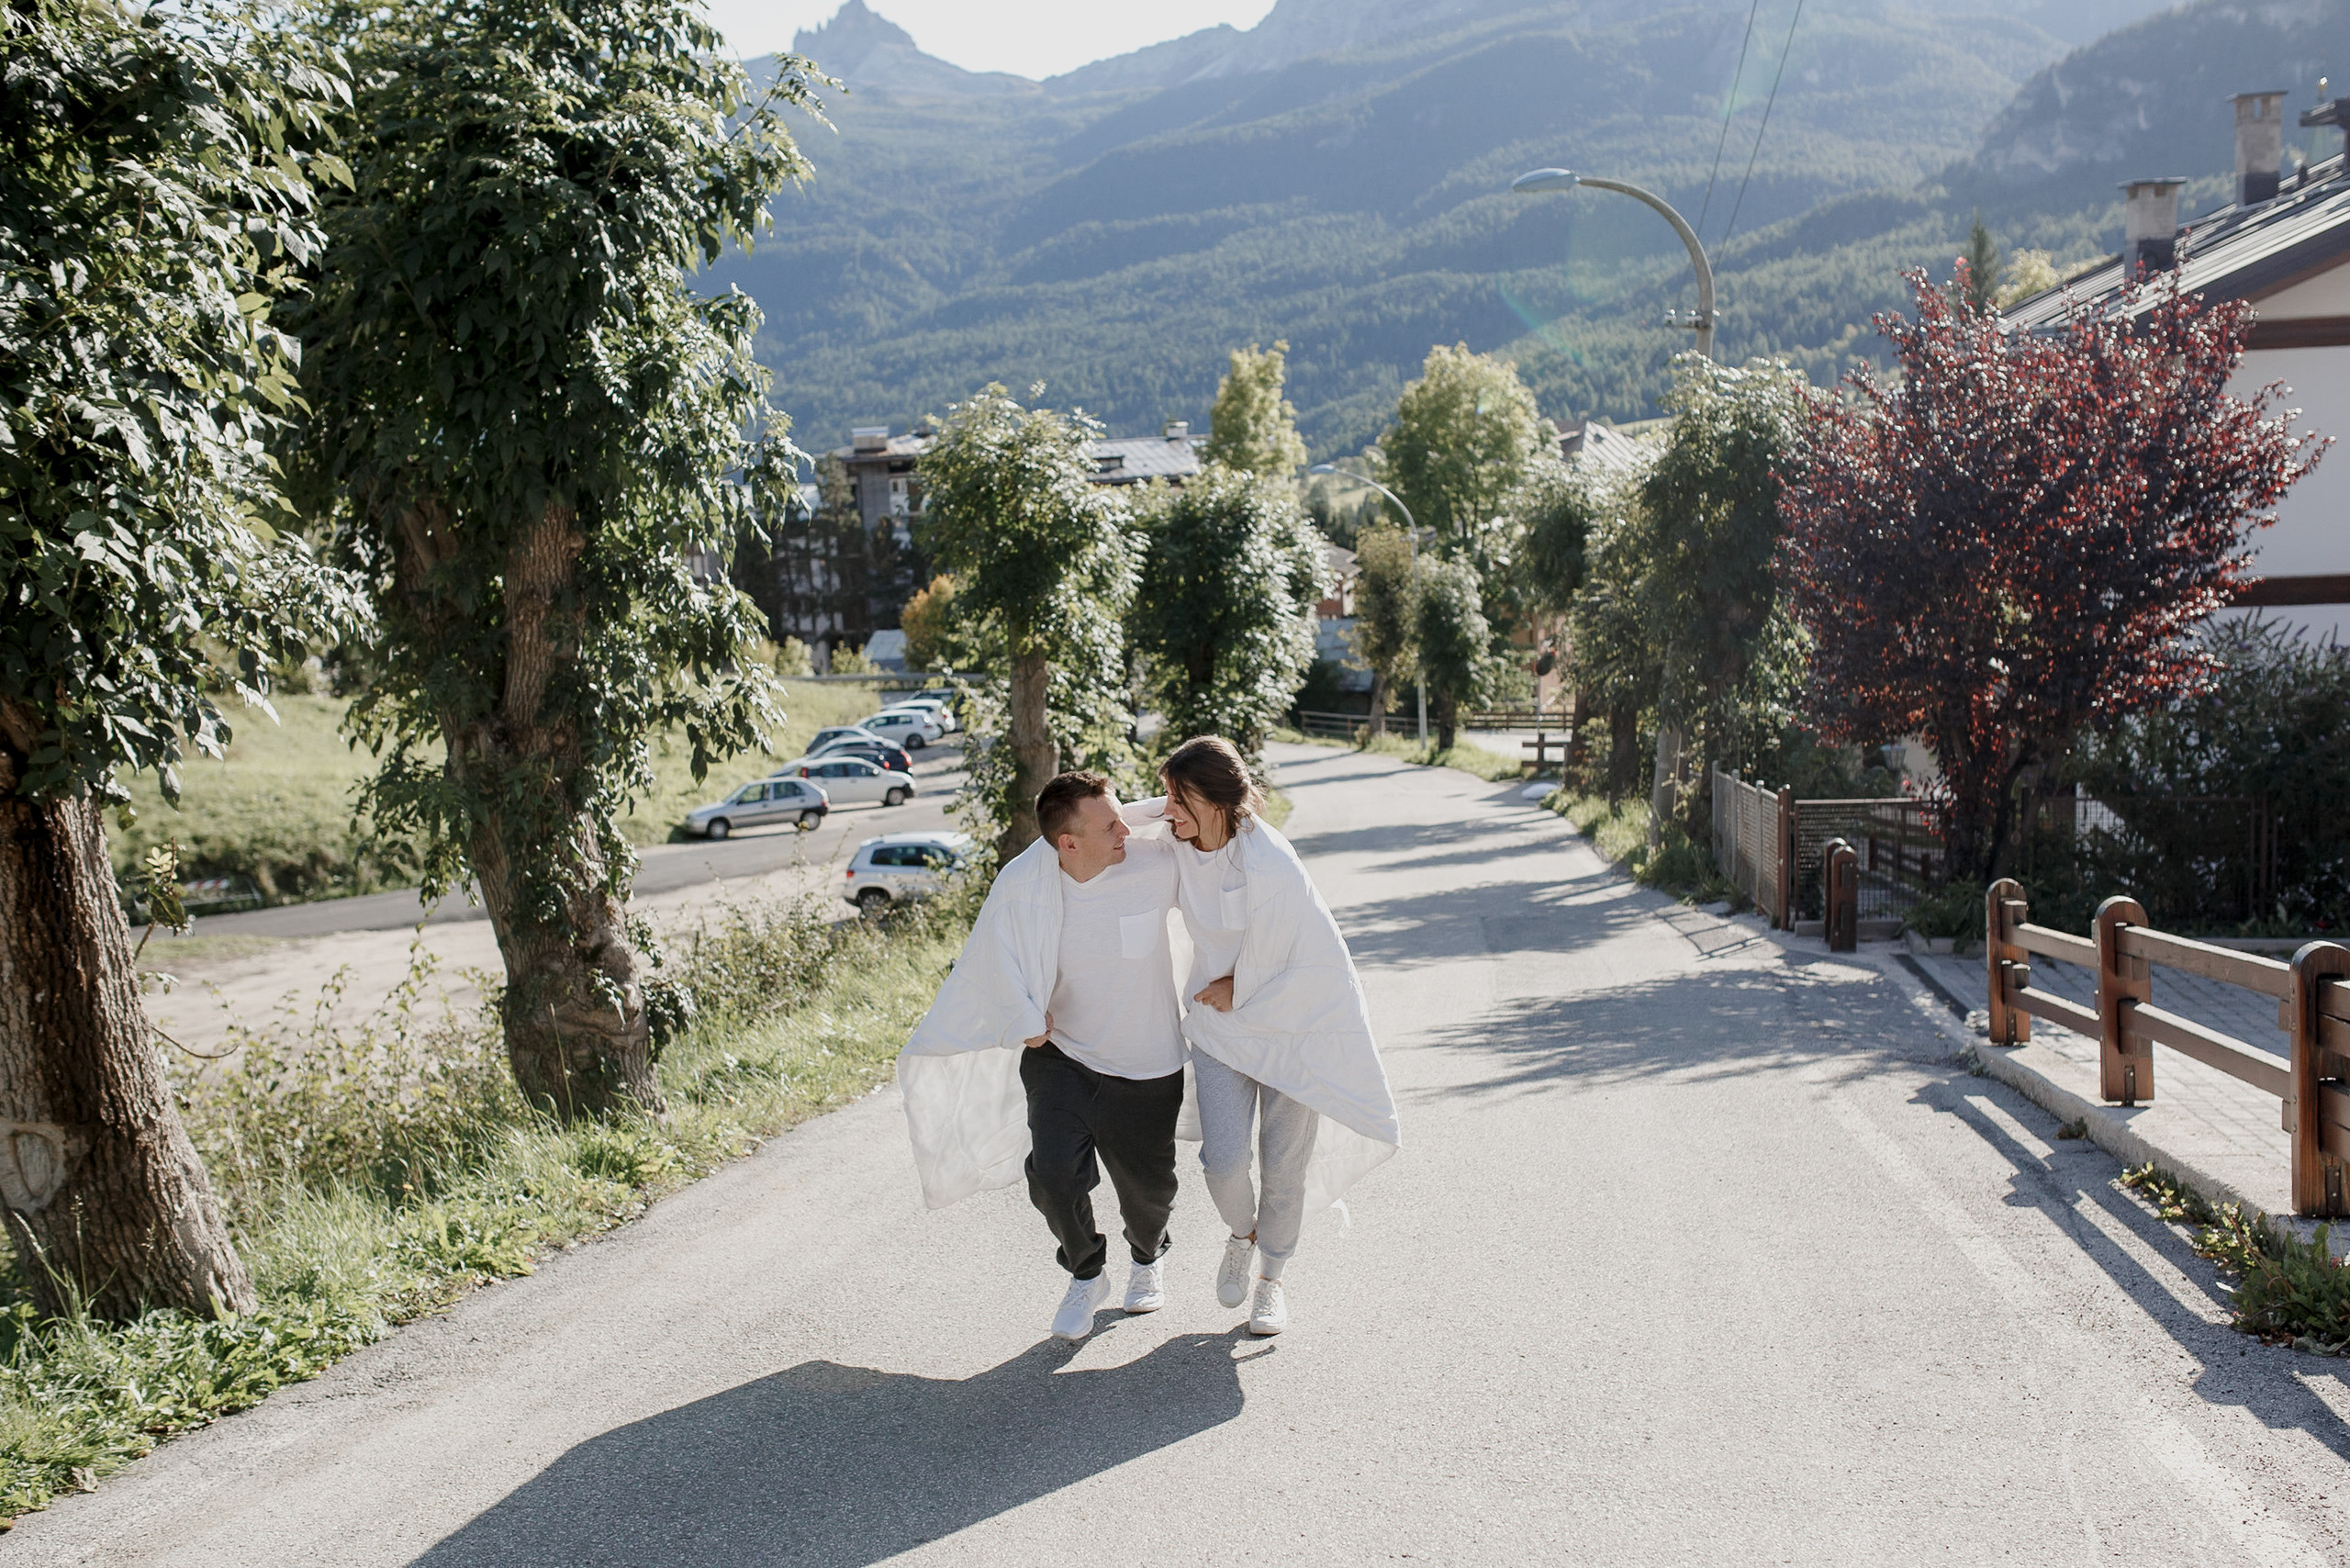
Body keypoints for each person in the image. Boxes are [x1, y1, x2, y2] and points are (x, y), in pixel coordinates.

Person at [898, 770, 1184, 1342]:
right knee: (1052, 1176)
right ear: (1068, 843)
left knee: (1149, 1193)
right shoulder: (1024, 884)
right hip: (1063, 1057)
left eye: (1122, 818)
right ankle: (1086, 1273)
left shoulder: (1156, 865)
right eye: (1110, 826)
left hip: (1147, 1063)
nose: (1125, 831)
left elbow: (1218, 880)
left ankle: (1147, 1256)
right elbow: (991, 955)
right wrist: (1024, 1020)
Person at [1130, 734, 1398, 1337]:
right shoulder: (1174, 843)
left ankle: (1272, 1279)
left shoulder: (1269, 857)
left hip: (1290, 1028)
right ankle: (1242, 1234)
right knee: (1223, 1161)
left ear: (1218, 801)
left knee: (1283, 1167)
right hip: (1220, 1031)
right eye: (1166, 795)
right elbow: (1112, 826)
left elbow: (1307, 951)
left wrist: (1239, 983)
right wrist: (1159, 804)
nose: (1168, 809)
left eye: (1179, 797)